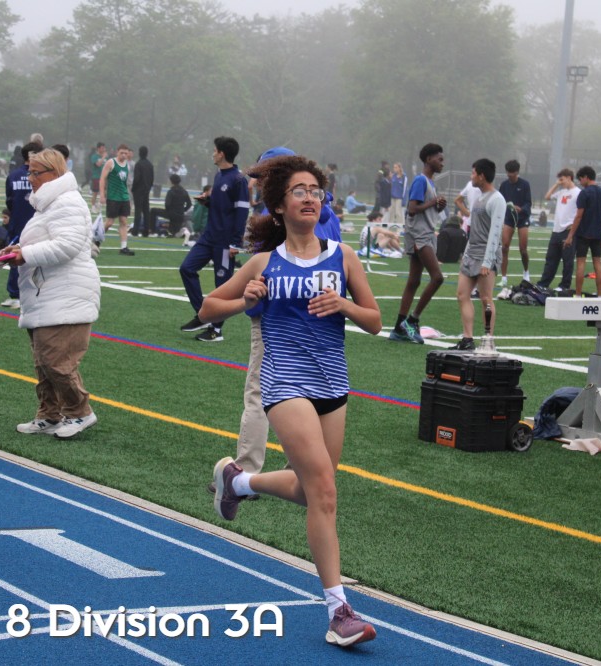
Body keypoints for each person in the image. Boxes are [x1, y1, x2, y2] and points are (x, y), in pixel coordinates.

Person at [200, 154, 380, 648]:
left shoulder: (343, 257)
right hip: (285, 385)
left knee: (310, 490)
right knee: (324, 492)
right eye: (299, 191)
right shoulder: (263, 263)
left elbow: (375, 320)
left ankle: (239, 482)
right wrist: (246, 302)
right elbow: (208, 307)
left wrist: (344, 304)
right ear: (279, 205)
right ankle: (338, 611)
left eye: (315, 191)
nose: (309, 198)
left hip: (333, 386)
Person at [0, 148, 101, 439]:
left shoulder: (67, 202)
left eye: (35, 173)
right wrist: (19, 249)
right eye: (29, 171)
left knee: (57, 361)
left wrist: (26, 254)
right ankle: (49, 414)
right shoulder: (49, 203)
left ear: (53, 173)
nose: (29, 178)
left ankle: (80, 412)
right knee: (43, 361)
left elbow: (67, 245)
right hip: (47, 292)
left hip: (66, 293)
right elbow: (48, 239)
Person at [178, 136, 250, 342]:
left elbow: (241, 213)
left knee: (222, 287)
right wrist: (208, 201)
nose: (212, 154)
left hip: (225, 242)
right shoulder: (219, 176)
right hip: (208, 237)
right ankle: (203, 315)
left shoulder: (238, 180)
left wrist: (236, 243)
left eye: (215, 150)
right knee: (186, 269)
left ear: (222, 154)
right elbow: (222, 206)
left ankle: (216, 331)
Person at [390, 143, 446, 343]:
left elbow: (426, 209)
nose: (442, 163)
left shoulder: (430, 182)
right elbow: (413, 208)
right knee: (437, 278)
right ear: (428, 159)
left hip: (426, 233)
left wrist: (438, 206)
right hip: (419, 235)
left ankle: (398, 328)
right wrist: (433, 202)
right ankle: (412, 320)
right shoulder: (420, 180)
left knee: (414, 281)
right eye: (439, 159)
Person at [454, 159, 506, 352]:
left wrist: (487, 261)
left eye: (474, 173)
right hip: (472, 252)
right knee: (462, 295)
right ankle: (467, 339)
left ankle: (488, 339)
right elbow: (474, 229)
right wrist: (466, 253)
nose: (471, 177)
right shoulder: (478, 198)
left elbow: (495, 232)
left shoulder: (497, 199)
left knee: (485, 298)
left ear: (482, 176)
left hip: (486, 254)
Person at [2, 141, 42, 309]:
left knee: (21, 258)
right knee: (21, 258)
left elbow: (9, 200)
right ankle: (19, 294)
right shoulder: (20, 175)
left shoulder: (16, 175)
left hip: (24, 223)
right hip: (28, 223)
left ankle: (19, 294)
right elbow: (10, 200)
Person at [564, 166, 601, 297]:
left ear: (586, 177)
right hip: (597, 235)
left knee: (581, 263)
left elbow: (578, 216)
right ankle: (600, 295)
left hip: (583, 234)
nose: (580, 182)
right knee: (598, 264)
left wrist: (570, 235)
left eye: (580, 179)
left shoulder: (584, 193)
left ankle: (578, 294)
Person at [536, 168, 581, 292]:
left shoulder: (578, 193)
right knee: (551, 259)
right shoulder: (561, 192)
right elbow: (547, 197)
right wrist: (556, 184)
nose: (561, 182)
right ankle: (543, 283)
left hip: (568, 230)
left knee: (567, 261)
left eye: (562, 179)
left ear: (569, 178)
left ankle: (564, 285)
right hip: (556, 230)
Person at [496, 160, 532, 286]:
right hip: (509, 217)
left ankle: (526, 273)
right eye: (508, 172)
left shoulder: (525, 184)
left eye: (512, 173)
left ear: (517, 172)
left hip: (522, 218)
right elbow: (500, 201)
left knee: (523, 249)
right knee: (504, 247)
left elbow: (528, 202)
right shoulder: (504, 185)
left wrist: (521, 209)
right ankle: (504, 278)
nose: (510, 175)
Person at [99, 144, 134, 255]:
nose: (123, 155)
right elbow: (102, 179)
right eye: (121, 153)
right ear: (117, 152)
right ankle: (96, 241)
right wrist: (102, 195)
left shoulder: (127, 165)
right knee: (109, 222)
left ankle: (124, 247)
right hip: (113, 197)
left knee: (124, 221)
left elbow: (125, 183)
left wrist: (129, 199)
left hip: (124, 197)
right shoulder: (111, 162)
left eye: (125, 153)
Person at [150, 174, 193, 239]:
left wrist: (170, 211)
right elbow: (189, 204)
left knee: (153, 210)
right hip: (180, 214)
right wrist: (183, 210)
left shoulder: (171, 191)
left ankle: (152, 231)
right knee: (174, 233)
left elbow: (167, 204)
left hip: (171, 213)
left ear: (171, 181)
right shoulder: (184, 191)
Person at [131, 145, 155, 237]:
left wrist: (133, 188)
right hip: (146, 190)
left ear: (139, 153)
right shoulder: (150, 165)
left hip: (138, 190)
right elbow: (152, 178)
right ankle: (146, 231)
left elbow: (137, 178)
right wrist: (148, 187)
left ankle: (135, 230)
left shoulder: (138, 164)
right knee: (146, 211)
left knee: (138, 211)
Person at [88, 143, 107, 212]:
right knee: (95, 193)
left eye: (104, 148)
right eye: (102, 148)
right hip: (96, 176)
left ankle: (99, 203)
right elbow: (98, 164)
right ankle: (93, 206)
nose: (104, 149)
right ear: (98, 148)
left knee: (106, 191)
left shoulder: (106, 157)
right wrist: (103, 157)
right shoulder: (94, 156)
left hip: (104, 177)